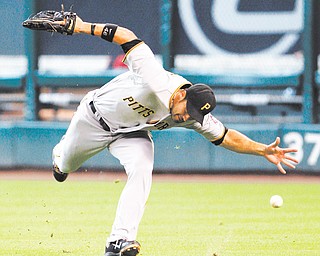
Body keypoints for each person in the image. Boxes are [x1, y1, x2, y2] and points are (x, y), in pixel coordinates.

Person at [51, 15, 299, 256]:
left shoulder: (193, 115)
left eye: (194, 116)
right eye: (188, 110)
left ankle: (119, 239)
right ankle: (61, 152)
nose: (187, 117)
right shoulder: (156, 77)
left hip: (132, 133)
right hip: (93, 120)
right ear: (182, 95)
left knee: (142, 165)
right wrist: (82, 27)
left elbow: (225, 136)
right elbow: (126, 36)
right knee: (64, 166)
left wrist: (262, 149)